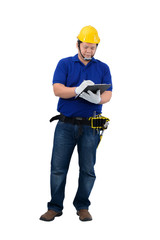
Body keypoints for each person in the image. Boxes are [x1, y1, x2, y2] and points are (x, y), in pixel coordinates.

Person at [40, 25, 113, 222]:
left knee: (88, 169)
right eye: (86, 46)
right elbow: (57, 89)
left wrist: (97, 100)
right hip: (65, 125)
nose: (89, 50)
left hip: (92, 126)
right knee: (58, 167)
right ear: (78, 44)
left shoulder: (103, 67)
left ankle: (82, 206)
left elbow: (108, 94)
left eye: (93, 47)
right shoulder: (64, 64)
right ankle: (55, 207)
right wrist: (77, 90)